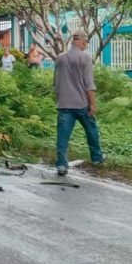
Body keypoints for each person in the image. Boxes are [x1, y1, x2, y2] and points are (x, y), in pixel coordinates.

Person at [53, 30, 105, 176]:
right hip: (82, 104)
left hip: (63, 104)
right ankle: (96, 157)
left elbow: (55, 83)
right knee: (92, 130)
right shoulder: (85, 58)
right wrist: (93, 104)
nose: (86, 45)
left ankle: (62, 165)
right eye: (86, 42)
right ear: (82, 41)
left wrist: (59, 99)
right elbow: (89, 84)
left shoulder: (59, 58)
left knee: (62, 136)